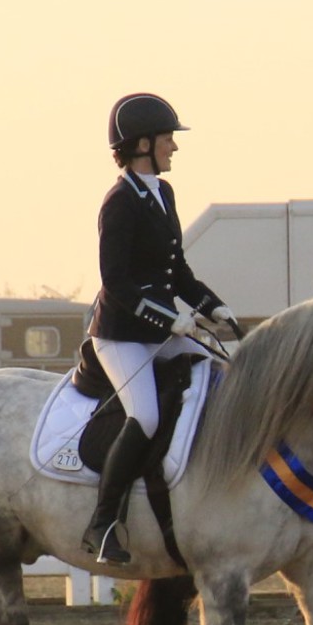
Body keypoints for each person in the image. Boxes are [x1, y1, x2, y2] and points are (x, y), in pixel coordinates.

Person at [81, 93, 234, 565]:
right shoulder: (119, 203)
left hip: (163, 329)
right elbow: (118, 282)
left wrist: (213, 306)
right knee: (144, 416)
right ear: (143, 143)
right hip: (121, 335)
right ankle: (103, 523)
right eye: (168, 138)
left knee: (220, 381)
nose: (174, 147)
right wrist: (169, 318)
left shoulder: (162, 193)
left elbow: (177, 270)